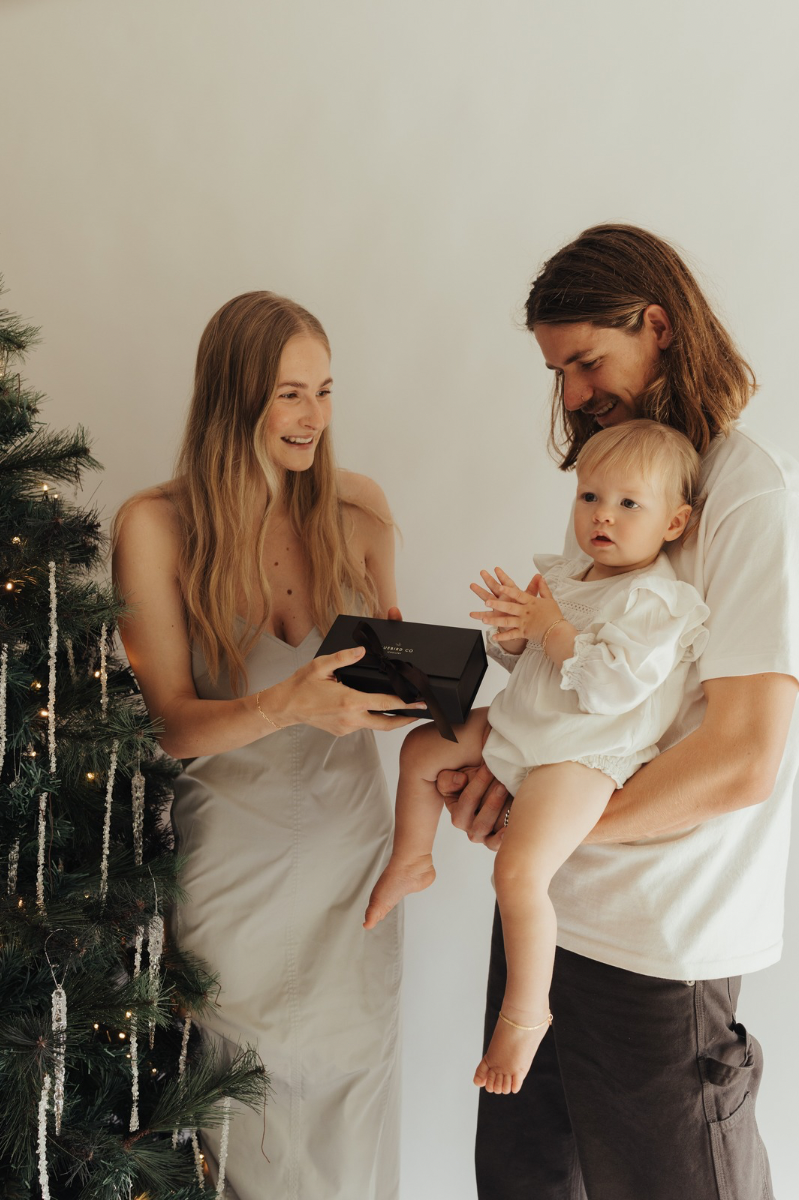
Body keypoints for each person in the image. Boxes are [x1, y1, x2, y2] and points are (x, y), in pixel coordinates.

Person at [437, 226, 799, 1200]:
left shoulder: (743, 495)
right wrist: (502, 783)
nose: (572, 395)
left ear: (659, 327)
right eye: (557, 372)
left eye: (587, 363)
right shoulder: (615, 481)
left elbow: (742, 759)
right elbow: (569, 687)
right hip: (549, 929)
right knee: (517, 1186)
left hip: (659, 953)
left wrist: (549, 838)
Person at [112, 291, 424, 1200]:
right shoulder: (156, 525)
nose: (314, 418)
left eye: (325, 392)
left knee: (355, 1089)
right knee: (246, 1105)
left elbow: (385, 669)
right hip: (233, 858)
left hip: (355, 850)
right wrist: (283, 705)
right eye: (291, 394)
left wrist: (420, 676)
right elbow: (168, 721)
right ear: (233, 393)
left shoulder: (359, 508)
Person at [365, 421, 709, 1097]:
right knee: (421, 747)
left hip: (583, 754)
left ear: (675, 522)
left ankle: (525, 1012)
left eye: (627, 504)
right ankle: (411, 856)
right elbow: (526, 665)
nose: (601, 515)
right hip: (526, 726)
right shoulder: (565, 575)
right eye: (588, 497)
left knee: (519, 873)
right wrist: (515, 632)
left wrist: (549, 629)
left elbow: (612, 687)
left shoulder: (655, 600)